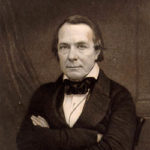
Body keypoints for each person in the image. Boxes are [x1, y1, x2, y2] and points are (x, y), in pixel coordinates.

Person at [16, 15, 137, 150]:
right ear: (57, 51)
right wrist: (89, 137)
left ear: (97, 51)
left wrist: (49, 136)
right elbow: (25, 142)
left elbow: (115, 148)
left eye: (81, 46)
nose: (72, 56)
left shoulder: (119, 96)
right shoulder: (43, 93)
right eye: (64, 47)